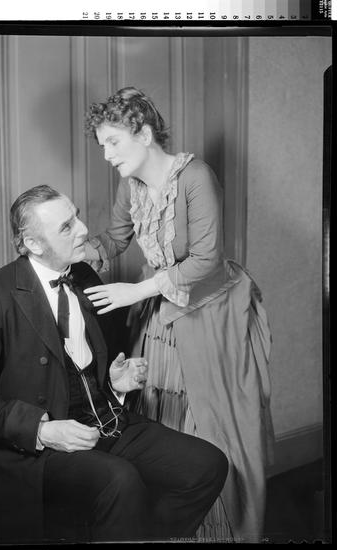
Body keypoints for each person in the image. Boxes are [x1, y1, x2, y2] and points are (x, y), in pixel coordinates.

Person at [0, 185, 228, 545]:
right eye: (66, 227)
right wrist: (42, 431)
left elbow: (82, 371)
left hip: (105, 421)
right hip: (38, 448)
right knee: (120, 481)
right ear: (33, 244)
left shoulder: (83, 276)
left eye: (76, 216)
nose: (83, 230)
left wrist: (114, 383)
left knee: (207, 465)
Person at [83, 87, 275, 543]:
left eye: (113, 142)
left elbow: (206, 259)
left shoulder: (195, 176)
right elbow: (114, 239)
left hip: (211, 310)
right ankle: (172, 529)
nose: (106, 155)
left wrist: (136, 291)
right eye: (102, 145)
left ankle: (220, 533)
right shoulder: (131, 184)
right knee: (158, 411)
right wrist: (70, 250)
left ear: (144, 134)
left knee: (210, 416)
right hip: (162, 309)